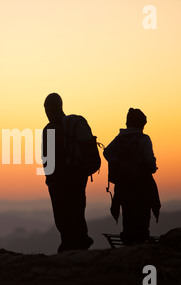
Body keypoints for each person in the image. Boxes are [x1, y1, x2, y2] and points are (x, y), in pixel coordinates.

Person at [42, 93, 94, 253]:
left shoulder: (50, 129)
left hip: (59, 180)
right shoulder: (72, 125)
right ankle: (82, 241)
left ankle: (69, 245)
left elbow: (47, 159)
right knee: (78, 209)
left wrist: (49, 179)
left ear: (49, 110)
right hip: (78, 176)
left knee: (63, 214)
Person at [103, 108, 160, 245]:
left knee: (127, 215)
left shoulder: (119, 139)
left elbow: (106, 153)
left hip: (123, 185)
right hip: (142, 185)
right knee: (142, 217)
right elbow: (149, 161)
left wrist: (119, 163)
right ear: (141, 124)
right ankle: (140, 247)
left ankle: (128, 243)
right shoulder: (143, 139)